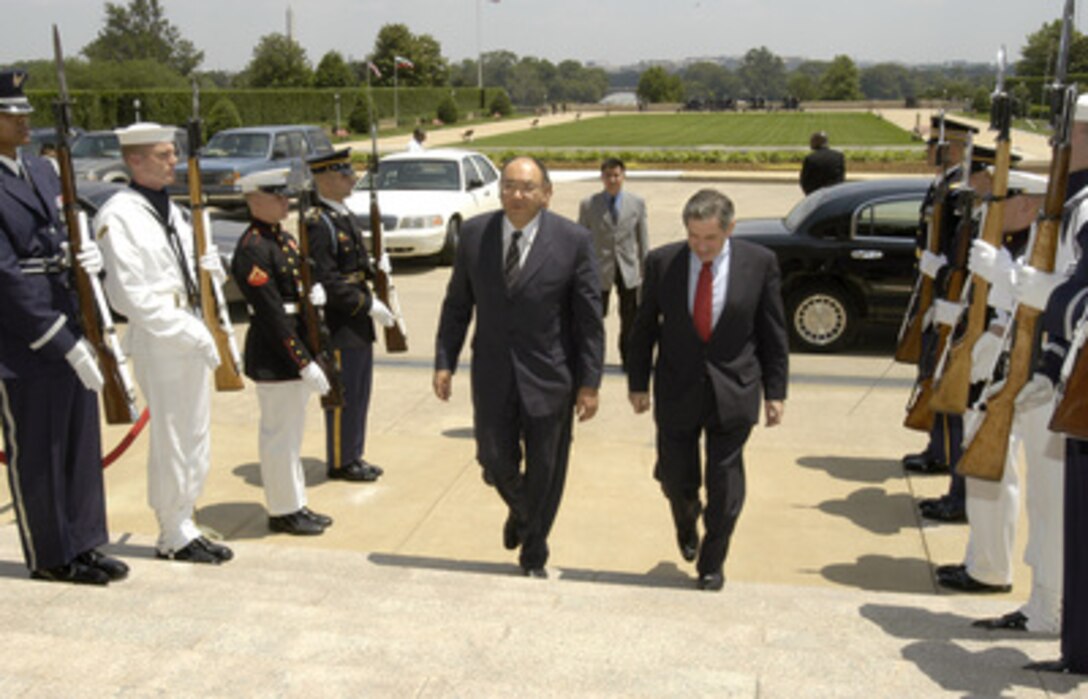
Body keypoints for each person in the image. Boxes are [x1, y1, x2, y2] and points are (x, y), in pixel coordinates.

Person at [433, 156, 604, 577]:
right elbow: (458, 305)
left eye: (527, 187)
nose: (517, 195)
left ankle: (534, 551)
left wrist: (589, 383)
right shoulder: (475, 235)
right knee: (493, 460)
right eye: (509, 185)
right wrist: (444, 361)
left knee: (547, 468)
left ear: (546, 194)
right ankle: (524, 512)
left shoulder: (574, 240)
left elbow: (588, 320)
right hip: (492, 373)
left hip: (551, 375)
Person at [0, 68, 127, 585]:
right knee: (41, 450)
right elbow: (4, 273)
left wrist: (84, 261)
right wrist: (57, 337)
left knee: (78, 441)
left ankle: (85, 541)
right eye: (12, 113)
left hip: (70, 317)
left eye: (25, 111)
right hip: (23, 337)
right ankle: (52, 554)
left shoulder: (43, 171)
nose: (25, 119)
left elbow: (58, 236)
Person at [627, 188, 789, 592]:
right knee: (678, 479)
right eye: (693, 237)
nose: (701, 247)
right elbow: (643, 327)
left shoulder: (760, 263)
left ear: (730, 229)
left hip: (734, 390)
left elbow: (773, 333)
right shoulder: (663, 262)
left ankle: (712, 562)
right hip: (676, 389)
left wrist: (776, 391)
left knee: (725, 482)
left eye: (710, 239)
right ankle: (685, 516)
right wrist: (637, 382)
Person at [94, 122, 232, 565]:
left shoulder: (172, 209)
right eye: (163, 154)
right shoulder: (119, 214)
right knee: (173, 436)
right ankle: (171, 531)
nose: (174, 161)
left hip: (189, 325)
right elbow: (128, 295)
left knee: (195, 433)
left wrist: (213, 271)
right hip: (160, 336)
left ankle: (185, 519)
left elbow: (187, 271)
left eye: (173, 153)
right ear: (134, 160)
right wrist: (188, 330)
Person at [230, 168, 335, 537]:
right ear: (254, 200)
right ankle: (282, 510)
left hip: (294, 348)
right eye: (276, 196)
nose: (285, 202)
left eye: (285, 196)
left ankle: (295, 502)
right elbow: (273, 315)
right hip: (277, 355)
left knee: (292, 436)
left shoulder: (283, 240)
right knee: (279, 438)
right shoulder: (253, 249)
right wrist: (303, 361)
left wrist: (314, 293)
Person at [901, 117, 979, 525]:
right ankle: (939, 454)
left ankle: (950, 470)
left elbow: (956, 253)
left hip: (952, 301)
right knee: (931, 374)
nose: (929, 149)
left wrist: (944, 275)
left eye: (936, 144)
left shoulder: (956, 194)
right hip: (938, 294)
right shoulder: (945, 188)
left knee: (949, 390)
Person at [305, 148, 396, 482]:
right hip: (341, 322)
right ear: (326, 179)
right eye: (345, 175)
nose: (352, 179)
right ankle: (341, 460)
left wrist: (376, 269)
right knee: (343, 394)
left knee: (360, 391)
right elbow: (328, 280)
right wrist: (368, 304)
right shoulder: (319, 223)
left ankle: (353, 453)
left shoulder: (342, 215)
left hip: (356, 319)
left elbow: (354, 266)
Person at [577, 157, 649, 371]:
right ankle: (593, 361)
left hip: (628, 270)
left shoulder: (636, 203)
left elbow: (642, 240)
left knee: (630, 319)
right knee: (595, 319)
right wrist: (582, 269)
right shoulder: (589, 205)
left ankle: (629, 359)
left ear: (623, 176)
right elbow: (582, 238)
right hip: (599, 270)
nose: (612, 180)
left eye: (616, 175)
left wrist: (646, 271)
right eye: (608, 175)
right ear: (602, 178)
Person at [799, 131, 845, 195]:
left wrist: (811, 195)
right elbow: (841, 178)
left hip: (817, 195)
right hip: (834, 194)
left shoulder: (810, 158)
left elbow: (804, 181)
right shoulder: (838, 156)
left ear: (816, 142)